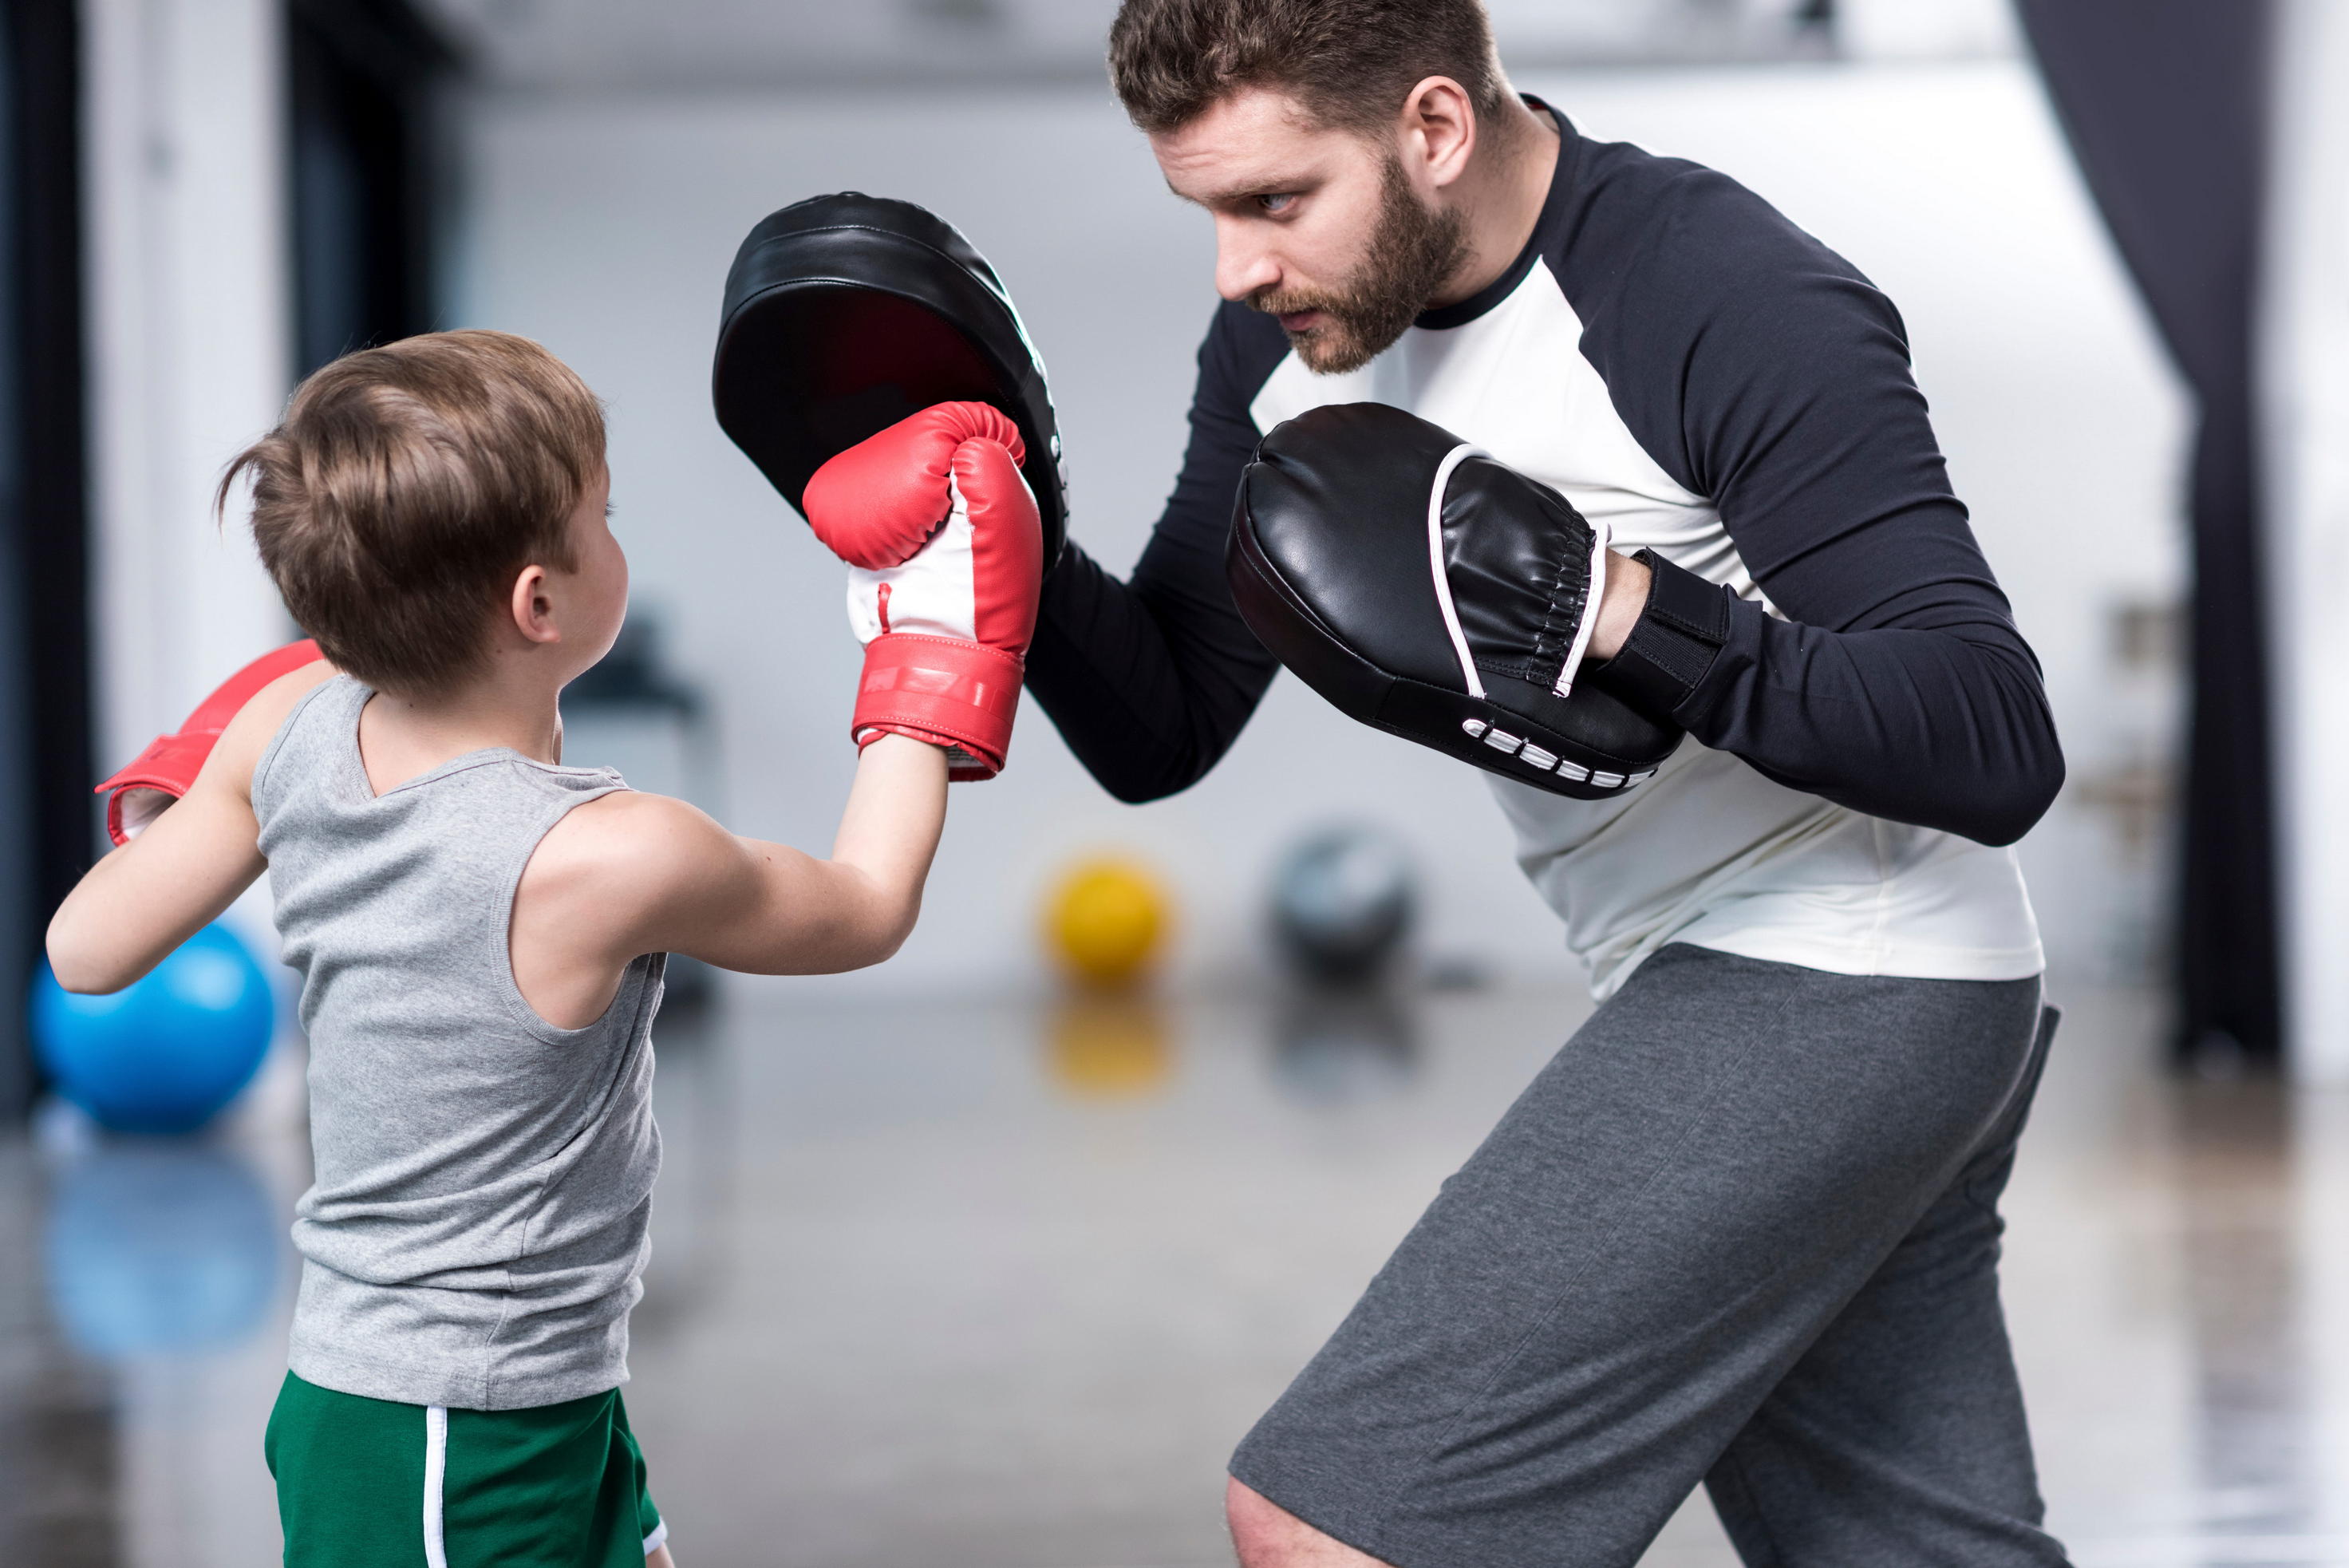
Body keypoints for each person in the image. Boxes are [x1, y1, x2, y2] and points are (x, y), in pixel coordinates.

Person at [1044, 2, 2068, 1563]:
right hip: (1746, 971)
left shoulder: (1711, 291)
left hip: (1846, 960)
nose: (1237, 267)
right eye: (1210, 213)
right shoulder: (1283, 334)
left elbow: (1990, 735)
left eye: (1274, 201)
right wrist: (1002, 536)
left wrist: (1619, 608)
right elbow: (1163, 723)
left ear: (1433, 128)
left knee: (1332, 1518)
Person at [44, 331, 1039, 1566]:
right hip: (446, 1439)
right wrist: (931, 639)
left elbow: (83, 951)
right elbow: (866, 902)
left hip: (521, 1387)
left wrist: (201, 792)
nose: (619, 535)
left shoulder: (286, 725)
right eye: (603, 517)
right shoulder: (608, 856)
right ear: (538, 603)